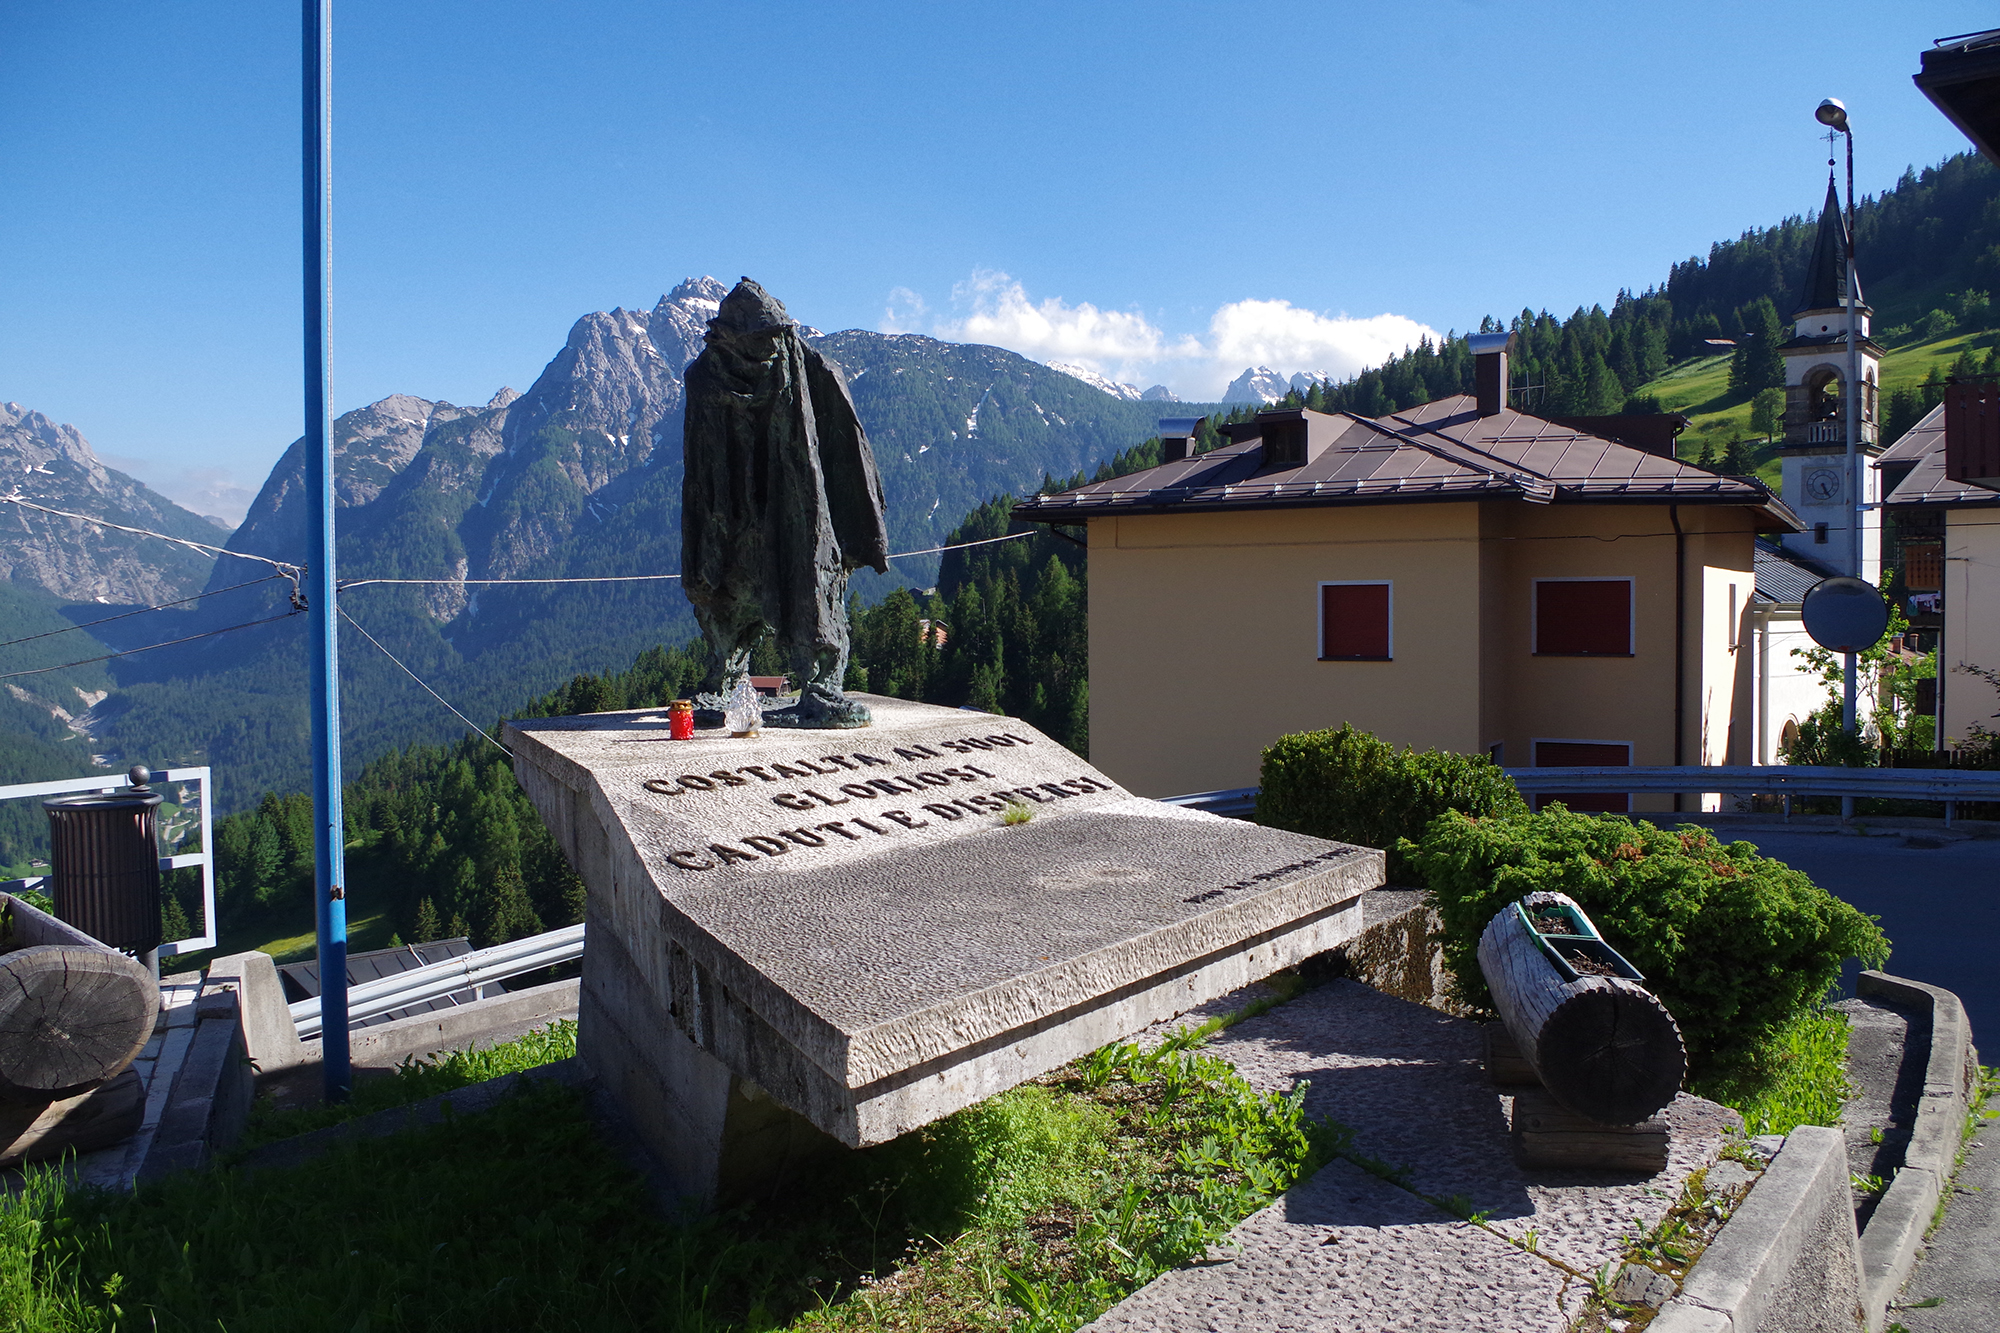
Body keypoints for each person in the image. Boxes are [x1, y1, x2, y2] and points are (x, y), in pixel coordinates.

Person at [681, 278, 889, 727]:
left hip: (797, 506)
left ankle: (819, 684)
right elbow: (697, 465)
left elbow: (845, 442)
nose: (767, 345)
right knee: (724, 590)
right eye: (757, 337)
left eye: (772, 336)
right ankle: (724, 674)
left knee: (809, 585)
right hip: (729, 508)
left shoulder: (804, 369)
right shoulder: (703, 377)